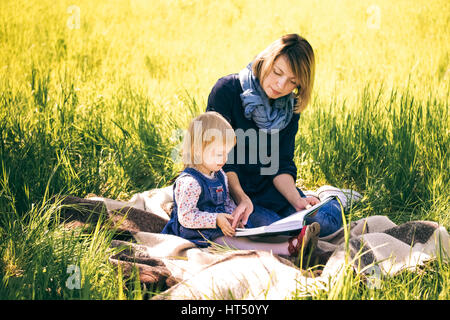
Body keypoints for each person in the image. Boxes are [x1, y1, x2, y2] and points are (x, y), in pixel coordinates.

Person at [206, 34, 343, 237]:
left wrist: (297, 200)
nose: (281, 85)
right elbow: (222, 162)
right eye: (277, 72)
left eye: (292, 82)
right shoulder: (227, 91)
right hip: (230, 191)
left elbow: (281, 164)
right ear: (266, 61)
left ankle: (330, 197)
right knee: (274, 229)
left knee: (327, 222)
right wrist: (243, 198)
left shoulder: (290, 108)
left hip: (269, 191)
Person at [161, 111, 320, 257]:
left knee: (250, 232)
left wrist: (233, 216)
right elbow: (186, 217)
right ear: (197, 151)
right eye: (218, 154)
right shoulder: (190, 182)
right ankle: (287, 249)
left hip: (222, 225)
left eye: (226, 153)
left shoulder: (219, 174)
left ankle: (294, 240)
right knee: (226, 241)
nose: (223, 159)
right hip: (197, 233)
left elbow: (224, 200)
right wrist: (215, 219)